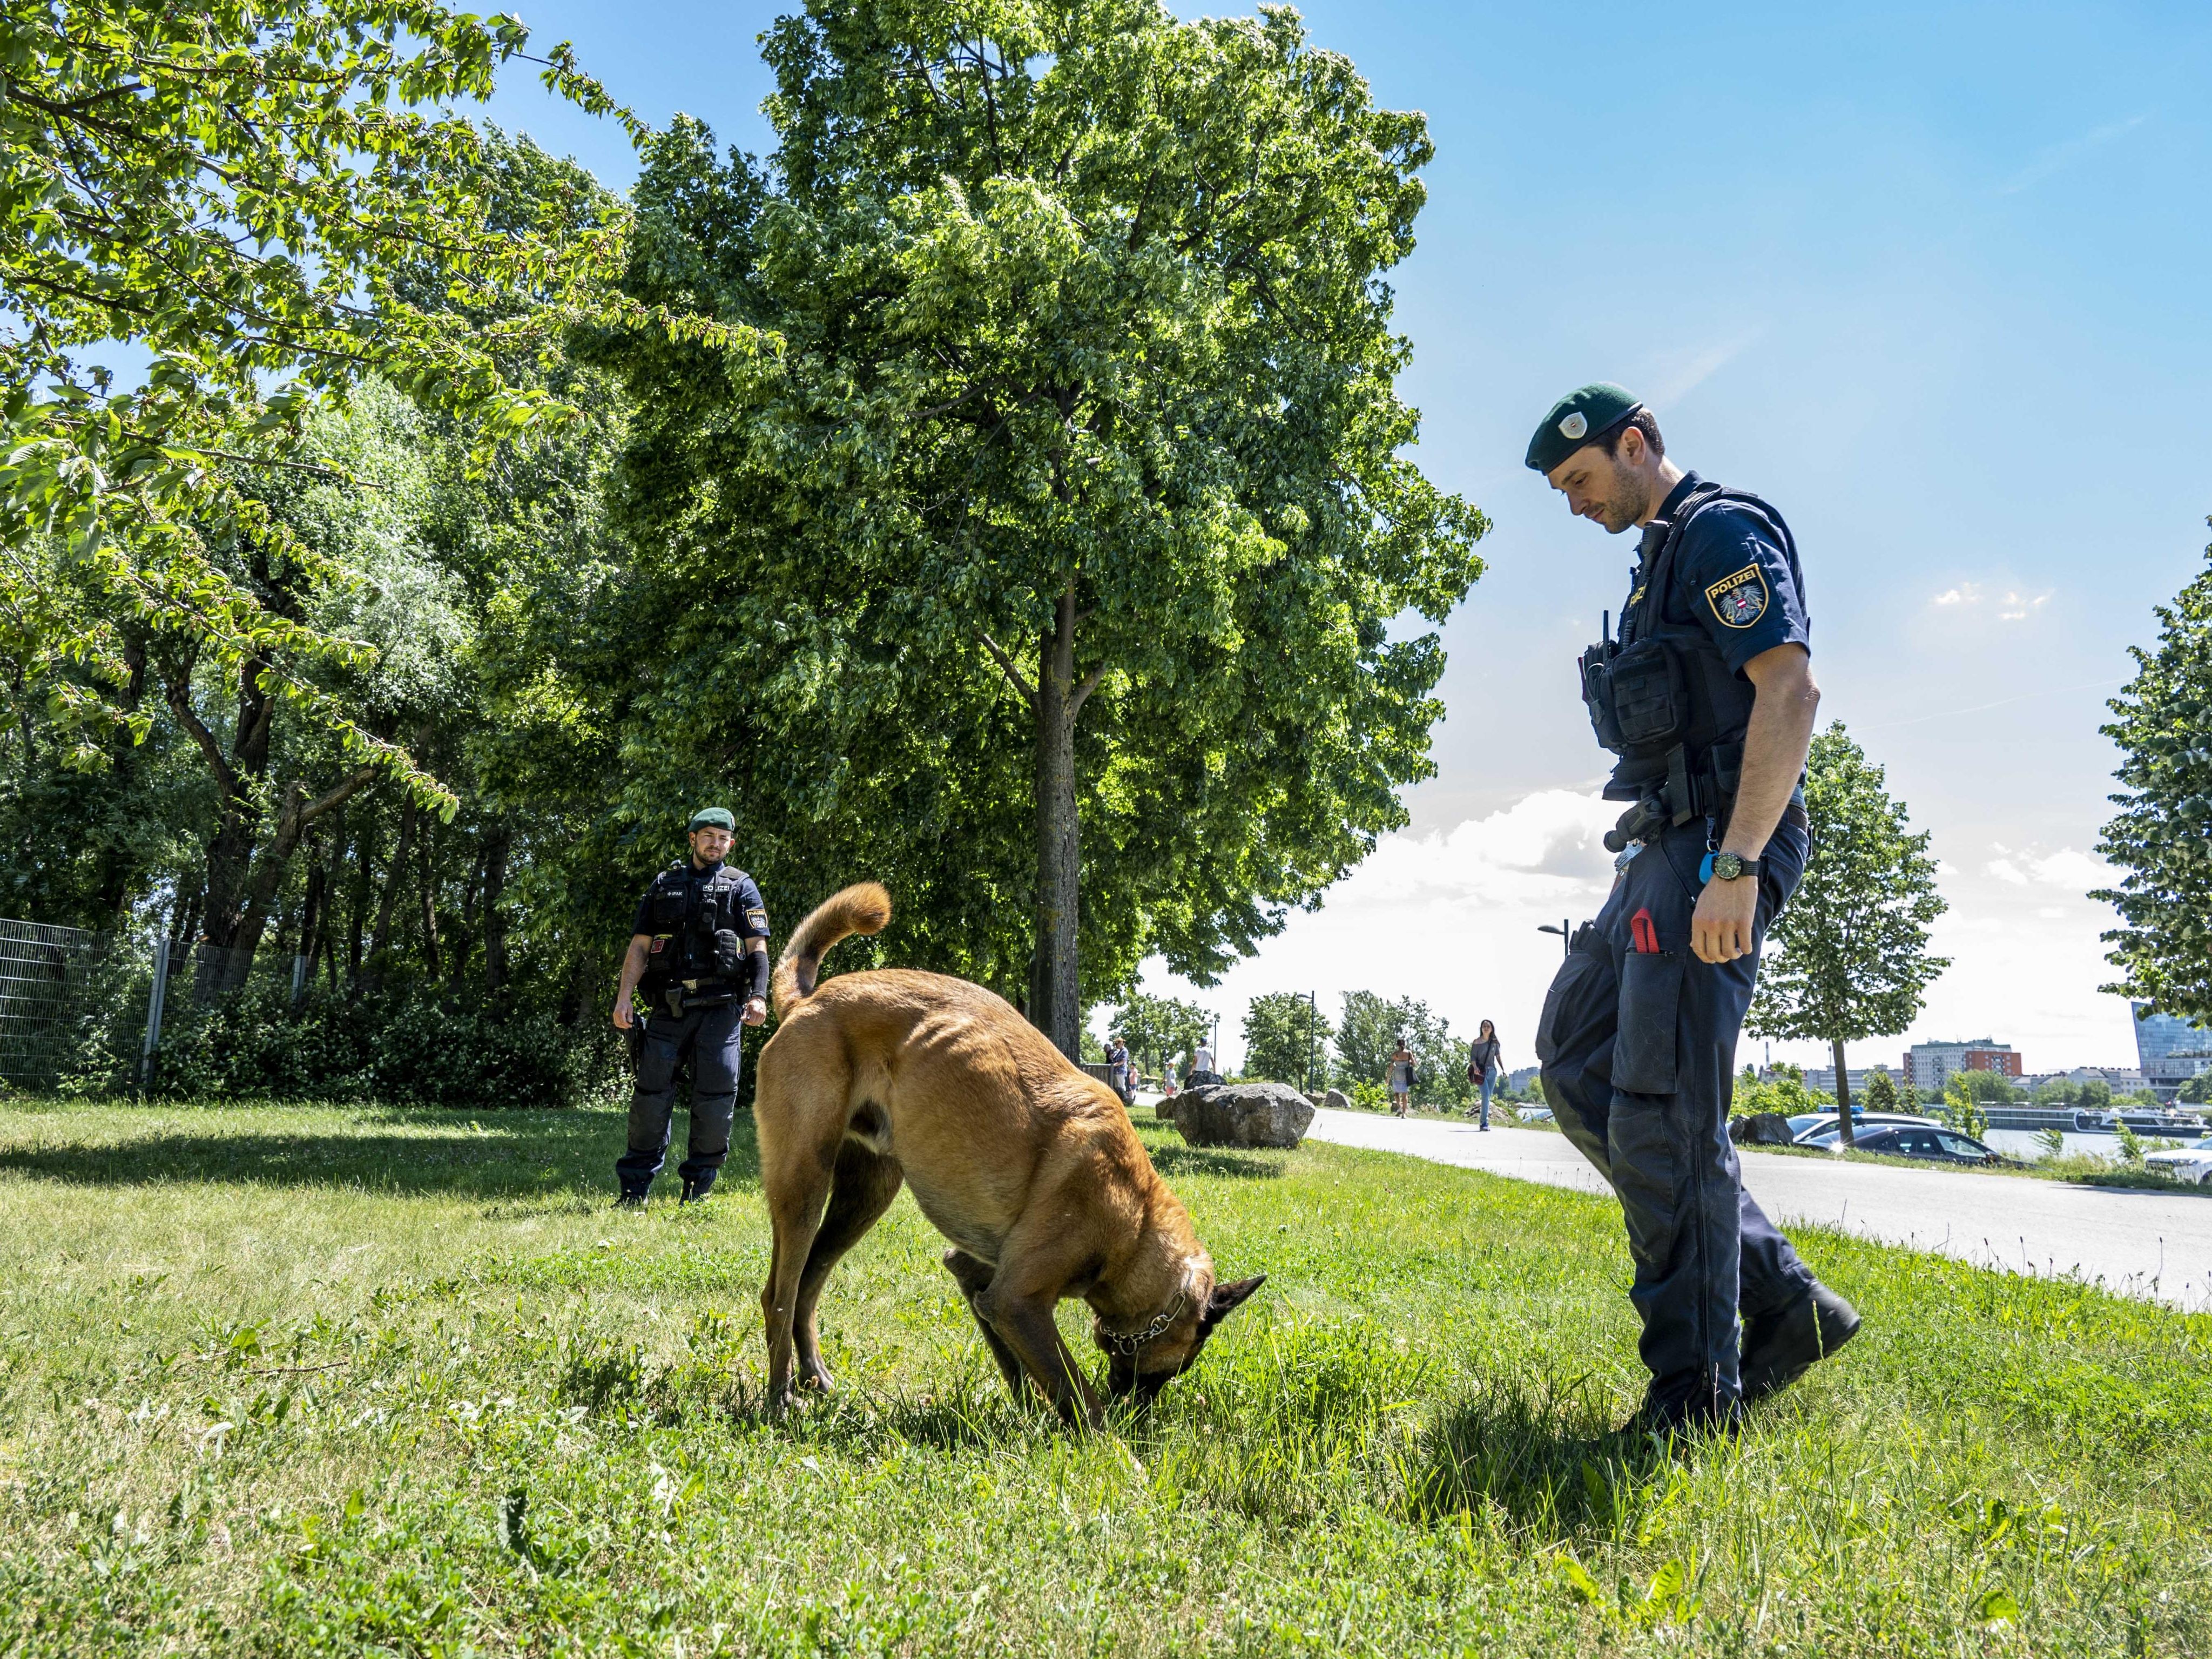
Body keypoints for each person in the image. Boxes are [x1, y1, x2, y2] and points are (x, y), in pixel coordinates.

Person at [1526, 382, 1860, 1435]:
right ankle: (1783, 1303)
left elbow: (1788, 690)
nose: (1573, 504)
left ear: (1634, 445)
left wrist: (1737, 865)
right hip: (1663, 847)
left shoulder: (1719, 531)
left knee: (1664, 1114)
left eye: (1579, 480)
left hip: (1717, 848)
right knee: (1574, 1064)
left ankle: (1692, 1392)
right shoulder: (1657, 563)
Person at [611, 807, 771, 1206]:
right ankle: (634, 1192)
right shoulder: (665, 885)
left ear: (730, 844)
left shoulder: (742, 887)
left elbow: (758, 949)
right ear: (693, 839)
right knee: (649, 1099)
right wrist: (624, 998)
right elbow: (640, 947)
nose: (715, 843)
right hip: (668, 1010)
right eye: (708, 836)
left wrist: (758, 996)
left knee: (715, 1102)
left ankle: (696, 1193)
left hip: (720, 1012)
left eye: (723, 838)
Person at [1466, 1020, 1504, 1130]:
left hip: (1492, 1072)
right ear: (1481, 1029)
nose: (1486, 1028)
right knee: (1486, 1095)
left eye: (1488, 1026)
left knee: (1488, 1097)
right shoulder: (1477, 1042)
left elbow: (1498, 1056)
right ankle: (1484, 1123)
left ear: (1492, 1029)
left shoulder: (1495, 1042)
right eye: (1484, 1026)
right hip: (1480, 1073)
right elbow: (1473, 1058)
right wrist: (1476, 1068)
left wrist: (1503, 1069)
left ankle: (1484, 1122)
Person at [1387, 1037, 1414, 1117]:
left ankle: (1399, 1107)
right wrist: (1408, 1062)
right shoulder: (1409, 1053)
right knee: (1405, 1095)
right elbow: (1414, 1064)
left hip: (1397, 1074)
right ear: (1404, 1044)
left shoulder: (1395, 1054)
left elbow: (1391, 1067)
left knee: (1396, 1093)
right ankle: (1404, 1113)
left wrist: (1388, 1078)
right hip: (1405, 1075)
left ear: (1397, 1045)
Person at [1106, 1033, 1132, 1103]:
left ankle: (1126, 1101)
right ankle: (1120, 1101)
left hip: (1120, 1072)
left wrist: (1114, 1065)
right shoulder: (1117, 1051)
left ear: (1121, 1043)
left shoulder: (1125, 1051)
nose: (1116, 1045)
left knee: (1121, 1087)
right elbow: (1113, 1059)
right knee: (1117, 1087)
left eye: (1117, 1044)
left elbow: (1123, 1061)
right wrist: (1111, 1057)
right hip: (1115, 1072)